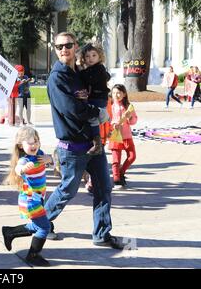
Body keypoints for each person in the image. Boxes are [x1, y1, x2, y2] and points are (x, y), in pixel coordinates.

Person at [44, 32, 127, 249]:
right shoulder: (58, 77)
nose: (64, 49)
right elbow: (72, 109)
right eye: (59, 46)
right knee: (67, 190)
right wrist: (98, 112)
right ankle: (39, 223)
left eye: (68, 45)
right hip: (72, 145)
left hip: (93, 142)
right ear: (55, 49)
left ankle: (102, 234)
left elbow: (97, 87)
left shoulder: (79, 73)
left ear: (75, 46)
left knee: (104, 187)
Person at [2, 126, 53, 267]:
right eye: (29, 142)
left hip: (38, 197)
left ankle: (10, 232)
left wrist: (49, 159)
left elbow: (51, 164)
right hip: (30, 200)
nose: (34, 145)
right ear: (20, 145)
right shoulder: (24, 160)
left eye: (36, 141)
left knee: (38, 225)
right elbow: (18, 169)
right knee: (44, 227)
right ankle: (33, 255)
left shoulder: (40, 154)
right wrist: (23, 169)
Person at [78, 43, 111, 155]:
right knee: (93, 118)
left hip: (99, 97)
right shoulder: (92, 69)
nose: (90, 58)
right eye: (87, 56)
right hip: (96, 97)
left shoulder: (98, 68)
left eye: (93, 55)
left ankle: (97, 144)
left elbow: (90, 79)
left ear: (99, 56)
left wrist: (79, 71)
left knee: (93, 119)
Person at [110, 84, 138, 189]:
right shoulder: (110, 106)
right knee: (116, 160)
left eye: (118, 92)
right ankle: (116, 180)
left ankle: (121, 173)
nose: (116, 95)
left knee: (132, 156)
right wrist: (113, 124)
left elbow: (134, 121)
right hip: (115, 136)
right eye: (113, 93)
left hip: (127, 136)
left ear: (124, 94)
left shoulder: (128, 106)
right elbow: (107, 120)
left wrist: (130, 117)